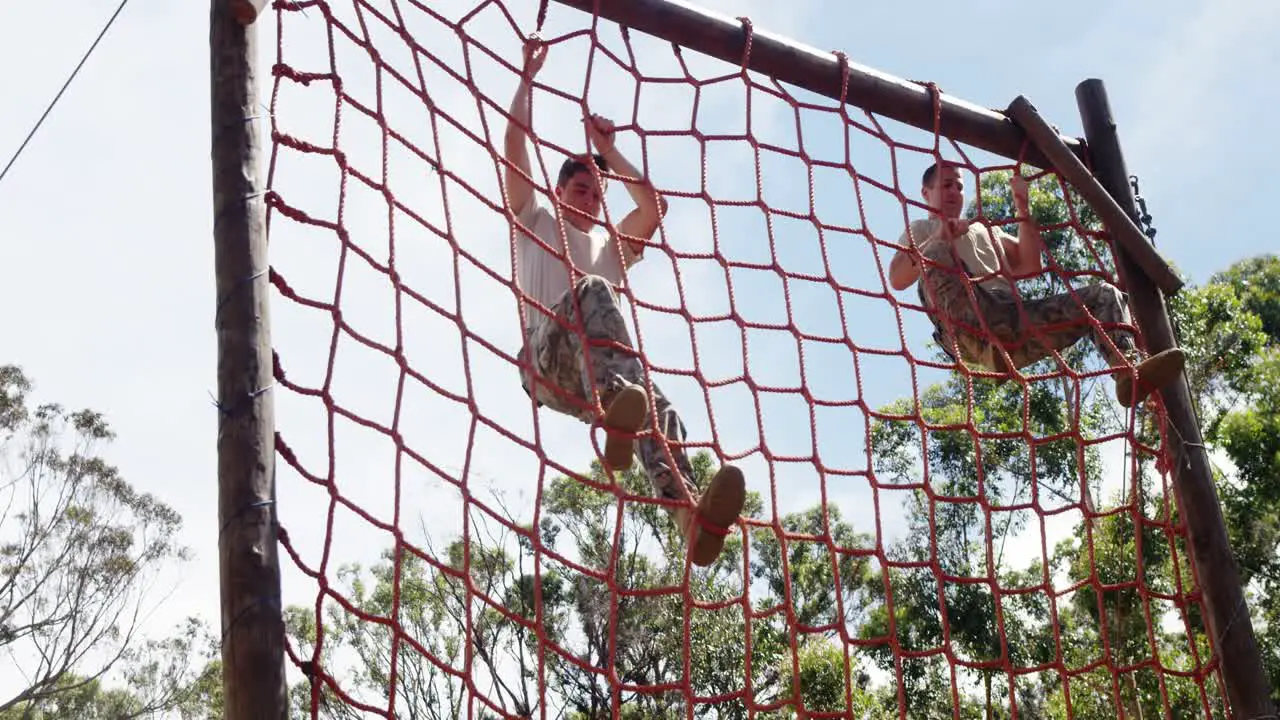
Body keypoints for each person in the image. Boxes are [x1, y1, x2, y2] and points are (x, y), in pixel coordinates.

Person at [503, 38, 745, 566]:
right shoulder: (536, 220)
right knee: (593, 292)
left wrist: (608, 151)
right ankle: (617, 409)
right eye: (581, 189)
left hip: (592, 382)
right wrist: (527, 75)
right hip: (545, 361)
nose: (590, 199)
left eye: (596, 192)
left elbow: (655, 206)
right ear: (561, 190)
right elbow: (515, 150)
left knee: (661, 405)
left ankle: (687, 515)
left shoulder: (611, 248)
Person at [887, 161, 1184, 407]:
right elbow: (897, 278)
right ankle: (986, 343)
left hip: (1011, 320)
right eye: (946, 184)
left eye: (960, 185)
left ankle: (1127, 372)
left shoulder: (982, 231)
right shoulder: (921, 229)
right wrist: (940, 236)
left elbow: (1031, 265)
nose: (954, 191)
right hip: (968, 327)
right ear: (926, 192)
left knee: (1105, 295)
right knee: (935, 253)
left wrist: (1022, 207)